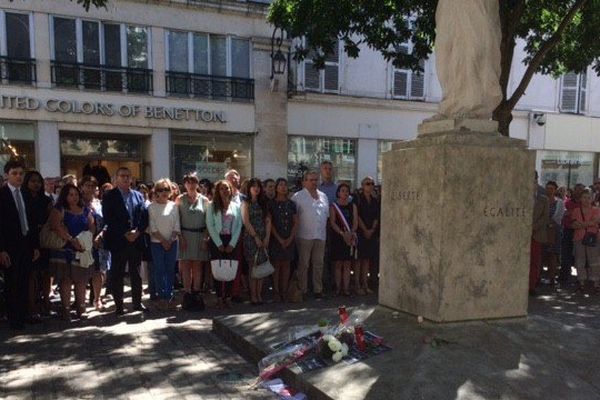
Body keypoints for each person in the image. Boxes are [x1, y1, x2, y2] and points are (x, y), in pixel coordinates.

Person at [102, 167, 148, 315]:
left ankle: (137, 303)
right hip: (118, 240)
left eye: (129, 176)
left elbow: (144, 216)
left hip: (136, 240)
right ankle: (119, 305)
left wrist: (138, 231)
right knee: (117, 273)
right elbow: (108, 218)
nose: (126, 178)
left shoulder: (138, 196)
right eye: (123, 176)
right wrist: (124, 233)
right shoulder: (109, 196)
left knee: (136, 273)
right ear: (116, 178)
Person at [0, 160, 38, 330]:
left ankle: (23, 315)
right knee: (11, 283)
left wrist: (35, 246)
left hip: (26, 245)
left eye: (21, 173)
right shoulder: (1, 195)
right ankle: (13, 318)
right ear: (7, 175)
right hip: (9, 247)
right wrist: (1, 250)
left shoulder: (26, 195)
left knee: (24, 281)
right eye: (14, 173)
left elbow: (32, 221)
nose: (18, 177)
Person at [48, 183, 96, 320]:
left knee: (81, 280)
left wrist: (86, 239)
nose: (74, 197)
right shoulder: (59, 208)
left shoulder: (85, 209)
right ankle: (66, 310)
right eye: (70, 194)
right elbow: (55, 226)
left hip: (82, 250)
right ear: (65, 196)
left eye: (76, 194)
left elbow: (92, 226)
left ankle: (81, 308)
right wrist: (71, 240)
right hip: (65, 250)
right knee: (66, 281)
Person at [291, 171, 329, 299]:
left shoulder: (323, 196)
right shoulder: (297, 196)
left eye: (315, 180)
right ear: (304, 182)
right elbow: (293, 218)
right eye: (311, 180)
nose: (314, 182)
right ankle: (303, 289)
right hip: (304, 236)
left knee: (319, 263)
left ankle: (318, 289)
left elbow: (326, 216)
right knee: (304, 264)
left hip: (320, 235)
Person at [206, 180, 242, 308]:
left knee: (230, 269)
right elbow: (210, 225)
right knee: (218, 269)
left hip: (232, 240)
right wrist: (218, 243)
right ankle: (219, 298)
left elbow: (238, 226)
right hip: (217, 240)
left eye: (226, 188)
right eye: (221, 188)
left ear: (230, 190)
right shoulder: (212, 206)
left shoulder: (236, 206)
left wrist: (232, 243)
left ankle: (228, 297)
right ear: (217, 191)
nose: (224, 191)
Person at [22, 170, 53, 319]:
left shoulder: (46, 200)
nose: (36, 184)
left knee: (46, 272)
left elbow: (51, 218)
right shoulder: (22, 198)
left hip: (43, 238)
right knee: (31, 274)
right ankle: (31, 304)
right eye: (32, 181)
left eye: (38, 181)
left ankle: (46, 301)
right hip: (28, 238)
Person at [177, 173, 209, 309]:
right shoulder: (179, 199)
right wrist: (181, 238)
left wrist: (205, 238)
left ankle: (196, 293)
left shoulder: (205, 200)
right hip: (185, 235)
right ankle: (187, 293)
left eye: (193, 182)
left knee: (197, 266)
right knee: (185, 266)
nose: (191, 185)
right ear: (184, 184)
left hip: (200, 236)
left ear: (197, 184)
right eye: (188, 182)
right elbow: (176, 221)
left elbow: (208, 222)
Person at [148, 178, 181, 310]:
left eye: (166, 189)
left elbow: (176, 225)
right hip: (157, 243)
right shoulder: (151, 207)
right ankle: (161, 297)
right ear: (156, 192)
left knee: (170, 270)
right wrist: (163, 241)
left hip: (172, 243)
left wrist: (170, 240)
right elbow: (152, 227)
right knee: (159, 270)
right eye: (161, 190)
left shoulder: (174, 205)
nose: (164, 192)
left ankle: (169, 296)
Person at [80, 175, 110, 311]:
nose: (90, 188)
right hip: (82, 243)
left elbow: (107, 223)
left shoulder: (100, 203)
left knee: (99, 271)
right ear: (82, 187)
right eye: (87, 185)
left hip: (99, 243)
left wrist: (101, 235)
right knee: (81, 272)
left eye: (93, 186)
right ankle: (80, 301)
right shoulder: (77, 202)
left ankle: (97, 299)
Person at [241, 178, 271, 305]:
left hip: (263, 237)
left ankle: (259, 294)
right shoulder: (246, 203)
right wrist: (256, 237)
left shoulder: (264, 203)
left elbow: (268, 221)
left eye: (258, 186)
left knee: (262, 266)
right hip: (251, 238)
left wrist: (267, 237)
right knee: (253, 267)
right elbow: (246, 222)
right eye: (253, 186)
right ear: (249, 189)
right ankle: (253, 295)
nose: (256, 188)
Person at [268, 178, 298, 302]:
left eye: (285, 185)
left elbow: (296, 222)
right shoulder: (271, 203)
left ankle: (284, 291)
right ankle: (275, 291)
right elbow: (270, 223)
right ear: (276, 188)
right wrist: (280, 239)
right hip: (276, 238)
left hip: (289, 238)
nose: (283, 187)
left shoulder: (291, 204)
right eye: (280, 185)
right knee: (276, 265)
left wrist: (290, 238)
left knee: (286, 265)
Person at [329, 183, 358, 296]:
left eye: (347, 191)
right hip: (338, 237)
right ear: (338, 193)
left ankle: (346, 289)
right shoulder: (333, 206)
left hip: (350, 237)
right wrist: (342, 233)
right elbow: (332, 222)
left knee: (347, 264)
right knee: (338, 264)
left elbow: (355, 221)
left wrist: (351, 233)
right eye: (342, 191)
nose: (345, 193)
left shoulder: (353, 206)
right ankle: (338, 288)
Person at [355, 176, 380, 295]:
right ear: (362, 186)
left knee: (367, 260)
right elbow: (357, 216)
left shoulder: (375, 200)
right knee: (359, 260)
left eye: (372, 184)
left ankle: (365, 284)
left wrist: (372, 229)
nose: (370, 186)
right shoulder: (358, 199)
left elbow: (376, 216)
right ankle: (357, 285)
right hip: (361, 232)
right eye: (367, 183)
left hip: (371, 233)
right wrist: (365, 229)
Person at [571, 189, 600, 293]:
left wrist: (582, 224)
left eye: (588, 197)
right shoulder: (576, 210)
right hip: (579, 238)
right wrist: (589, 223)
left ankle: (595, 283)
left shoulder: (596, 210)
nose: (586, 200)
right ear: (580, 199)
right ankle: (581, 282)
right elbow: (573, 224)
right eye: (584, 197)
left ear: (592, 199)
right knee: (580, 261)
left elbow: (596, 221)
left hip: (592, 237)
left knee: (594, 261)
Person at [560, 183, 585, 284]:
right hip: (568, 231)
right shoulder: (567, 203)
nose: (578, 191)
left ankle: (581, 279)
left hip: (581, 232)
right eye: (577, 189)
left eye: (581, 190)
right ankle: (564, 276)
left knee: (581, 256)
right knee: (566, 255)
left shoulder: (586, 204)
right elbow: (564, 216)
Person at [542, 181, 565, 286]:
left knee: (553, 254)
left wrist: (550, 223)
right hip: (542, 230)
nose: (549, 190)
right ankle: (540, 277)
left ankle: (552, 277)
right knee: (543, 254)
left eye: (551, 188)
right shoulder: (541, 200)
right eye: (548, 188)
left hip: (555, 231)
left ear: (555, 190)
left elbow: (558, 216)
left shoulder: (559, 202)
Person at [530, 180, 549, 296]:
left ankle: (532, 285)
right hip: (523, 235)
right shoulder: (520, 196)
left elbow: (545, 217)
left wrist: (533, 227)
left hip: (536, 234)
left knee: (535, 261)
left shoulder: (543, 199)